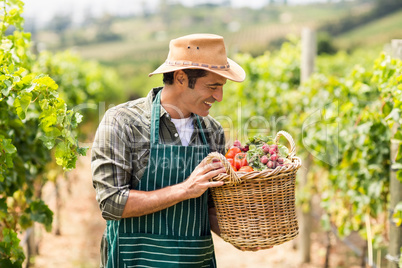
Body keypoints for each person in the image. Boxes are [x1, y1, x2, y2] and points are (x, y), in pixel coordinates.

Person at [91, 33, 246, 268]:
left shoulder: (212, 131)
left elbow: (211, 208)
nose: (219, 97)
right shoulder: (122, 123)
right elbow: (111, 203)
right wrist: (184, 189)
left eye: (221, 87)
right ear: (182, 78)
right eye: (213, 86)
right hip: (135, 261)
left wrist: (242, 237)